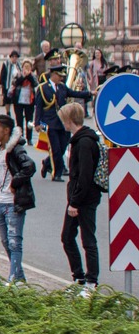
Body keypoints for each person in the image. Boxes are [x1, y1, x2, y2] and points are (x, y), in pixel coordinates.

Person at [59, 103, 102, 291]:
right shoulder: (80, 140)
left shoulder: (84, 142)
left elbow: (84, 175)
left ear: (69, 120)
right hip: (77, 197)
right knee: (67, 236)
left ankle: (91, 281)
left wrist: (74, 202)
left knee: (88, 240)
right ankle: (79, 277)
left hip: (84, 199)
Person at [0, 113, 36, 286]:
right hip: (0, 201)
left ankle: (13, 278)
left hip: (13, 202)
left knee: (15, 240)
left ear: (6, 130)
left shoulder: (16, 149)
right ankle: (20, 276)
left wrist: (15, 183)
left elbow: (29, 166)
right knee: (5, 241)